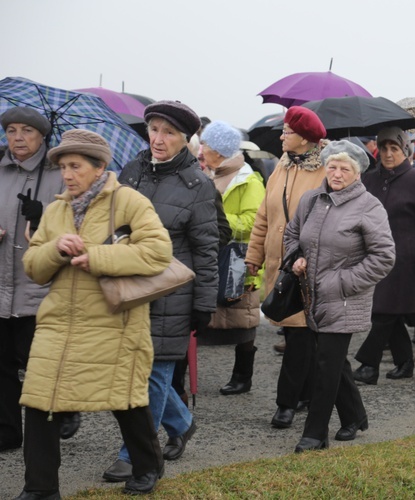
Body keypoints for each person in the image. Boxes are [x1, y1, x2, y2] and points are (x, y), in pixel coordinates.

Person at [18, 129, 172, 497]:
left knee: (124, 399)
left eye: (75, 166)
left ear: (100, 166)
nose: (67, 174)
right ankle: (40, 488)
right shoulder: (55, 210)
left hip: (114, 321)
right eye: (62, 167)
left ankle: (148, 466)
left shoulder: (129, 202)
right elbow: (33, 267)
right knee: (41, 401)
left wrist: (98, 257)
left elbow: (158, 252)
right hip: (58, 323)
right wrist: (55, 248)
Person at [103, 100, 219, 483]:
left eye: (169, 133)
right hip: (130, 285)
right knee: (136, 370)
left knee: (153, 374)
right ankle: (182, 423)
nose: (159, 138)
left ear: (185, 140)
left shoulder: (198, 184)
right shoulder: (132, 169)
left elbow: (206, 247)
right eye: (154, 129)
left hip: (172, 293)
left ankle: (133, 452)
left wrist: (204, 302)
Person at [283, 140, 395, 452]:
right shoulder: (311, 200)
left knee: (324, 365)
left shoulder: (369, 207)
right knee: (331, 359)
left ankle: (315, 433)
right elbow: (292, 234)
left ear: (357, 173)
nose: (336, 173)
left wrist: (342, 283)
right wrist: (296, 258)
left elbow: (384, 257)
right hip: (313, 296)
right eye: (332, 166)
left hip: (345, 297)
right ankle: (355, 415)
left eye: (345, 168)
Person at [245, 106, 328, 429]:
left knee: (299, 338)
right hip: (279, 268)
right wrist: (254, 255)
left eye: (287, 131)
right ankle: (306, 394)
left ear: (305, 139)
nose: (282, 136)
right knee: (297, 335)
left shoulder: (324, 172)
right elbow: (264, 216)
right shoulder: (281, 167)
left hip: (309, 269)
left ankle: (286, 403)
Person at [352, 127, 415, 384]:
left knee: (384, 313)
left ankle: (369, 365)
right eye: (384, 148)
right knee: (388, 311)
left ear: (405, 150)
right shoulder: (368, 179)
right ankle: (405, 362)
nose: (388, 154)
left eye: (395, 148)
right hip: (373, 257)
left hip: (407, 260)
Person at [0, 108, 67, 454]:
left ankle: (64, 412)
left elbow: (77, 226)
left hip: (40, 287)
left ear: (42, 136)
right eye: (11, 130)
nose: (18, 138)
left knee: (40, 364)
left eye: (27, 130)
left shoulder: (59, 174)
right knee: (2, 366)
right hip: (1, 284)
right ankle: (8, 432)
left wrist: (44, 219)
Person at [198, 121, 266, 395]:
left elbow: (254, 220)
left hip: (240, 257)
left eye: (206, 145)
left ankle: (243, 376)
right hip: (213, 254)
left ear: (220, 150)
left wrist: (218, 220)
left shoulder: (248, 180)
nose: (201, 150)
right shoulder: (207, 175)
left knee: (244, 317)